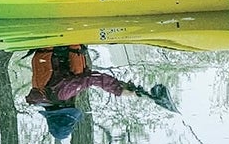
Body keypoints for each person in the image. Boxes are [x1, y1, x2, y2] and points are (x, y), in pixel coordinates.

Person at [25, 43, 176, 139]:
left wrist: (119, 90)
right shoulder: (46, 95)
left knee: (80, 72)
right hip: (55, 43)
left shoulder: (61, 94)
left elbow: (92, 79)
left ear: (65, 110)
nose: (74, 103)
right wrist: (123, 86)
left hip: (60, 41)